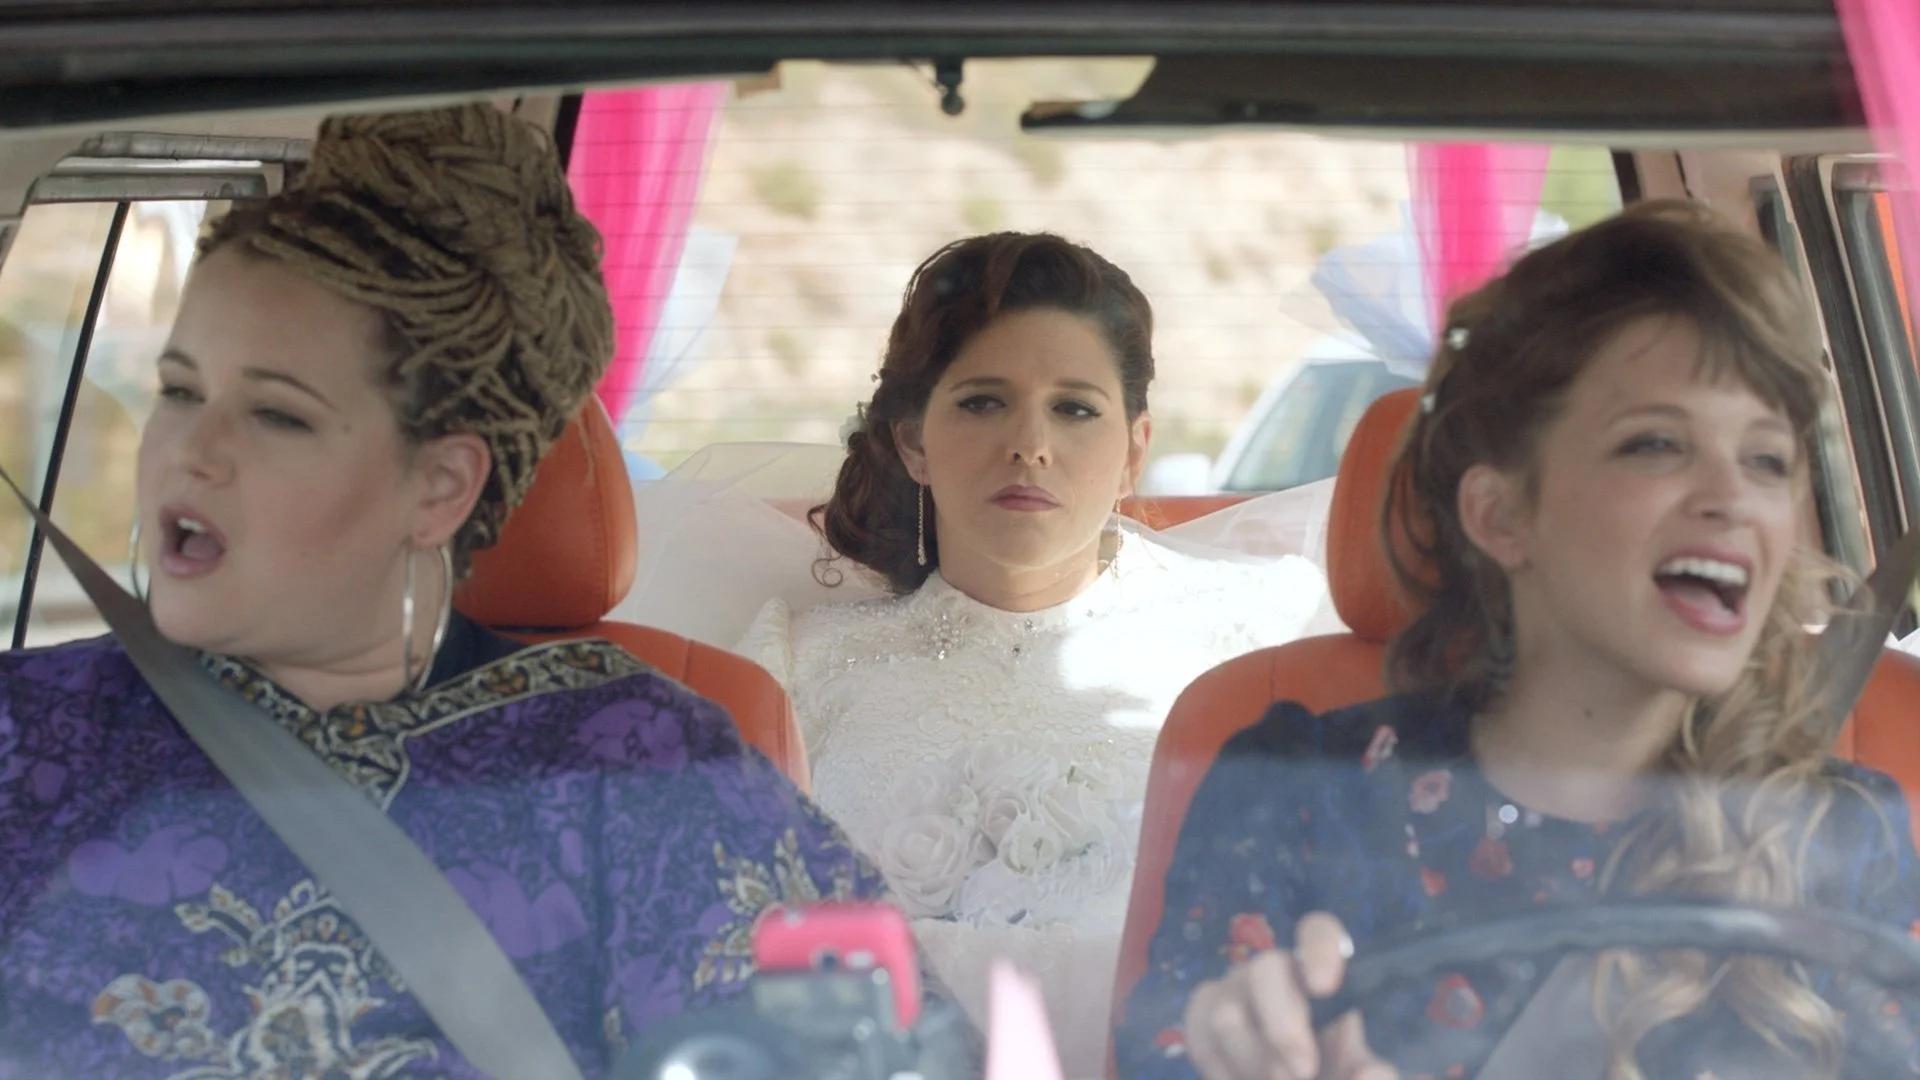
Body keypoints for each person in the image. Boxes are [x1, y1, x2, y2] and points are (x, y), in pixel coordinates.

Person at [0, 103, 906, 1079]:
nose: (191, 453)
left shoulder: (646, 779)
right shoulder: (27, 732)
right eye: (180, 391)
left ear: (439, 485)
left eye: (276, 415)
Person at [1113, 200, 1920, 1080]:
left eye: (1767, 459)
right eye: (1656, 444)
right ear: (1501, 515)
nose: (1733, 498)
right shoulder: (1301, 797)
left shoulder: (1833, 830)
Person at [736, 231, 1331, 1077]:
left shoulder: (1261, 633)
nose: (1029, 443)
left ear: (1134, 450)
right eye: (983, 402)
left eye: (1075, 409)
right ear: (913, 443)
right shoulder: (796, 664)